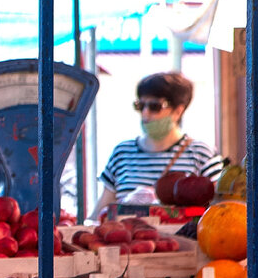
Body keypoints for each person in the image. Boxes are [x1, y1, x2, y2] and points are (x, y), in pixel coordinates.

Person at [95, 72, 222, 215]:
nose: (145, 113)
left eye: (155, 106)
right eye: (140, 105)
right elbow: (101, 212)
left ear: (178, 111)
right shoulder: (122, 153)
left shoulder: (201, 154)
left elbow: (219, 210)